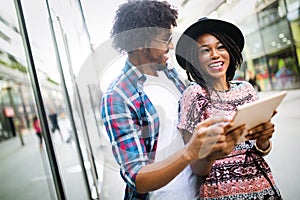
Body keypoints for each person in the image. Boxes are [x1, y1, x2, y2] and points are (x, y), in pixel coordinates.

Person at [100, 1, 244, 199]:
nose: (171, 45)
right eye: (165, 39)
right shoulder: (117, 96)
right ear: (143, 42)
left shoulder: (171, 75)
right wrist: (189, 152)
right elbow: (138, 178)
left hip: (203, 192)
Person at [175, 17, 282, 199]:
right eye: (205, 50)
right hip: (220, 192)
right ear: (195, 59)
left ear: (230, 51)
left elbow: (260, 150)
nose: (215, 54)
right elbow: (196, 167)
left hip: (262, 187)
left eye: (221, 47)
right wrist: (213, 152)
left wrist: (264, 140)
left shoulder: (247, 89)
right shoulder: (193, 95)